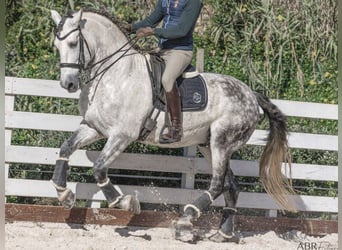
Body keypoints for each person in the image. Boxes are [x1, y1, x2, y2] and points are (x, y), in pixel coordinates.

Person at [125, 0, 202, 143]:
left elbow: (182, 30)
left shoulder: (193, 2)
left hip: (180, 51)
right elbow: (150, 20)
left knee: (167, 79)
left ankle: (176, 128)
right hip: (162, 50)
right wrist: (129, 28)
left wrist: (154, 31)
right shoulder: (165, 1)